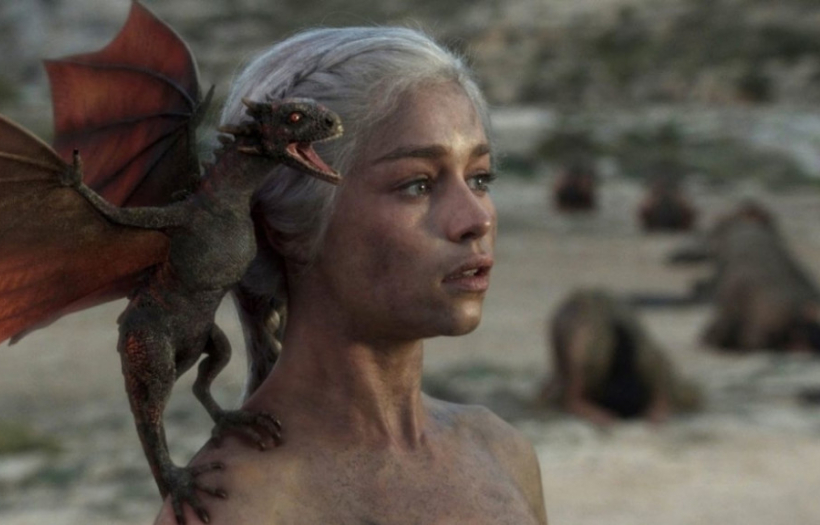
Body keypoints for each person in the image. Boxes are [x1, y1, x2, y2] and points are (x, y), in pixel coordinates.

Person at [155, 26, 547, 524]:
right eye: (418, 184)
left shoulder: (502, 454)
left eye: (480, 178)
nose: (477, 219)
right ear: (285, 227)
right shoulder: (232, 505)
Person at [540, 288, 701, 426]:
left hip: (628, 398)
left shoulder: (637, 351)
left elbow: (659, 384)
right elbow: (573, 398)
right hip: (612, 398)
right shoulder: (593, 353)